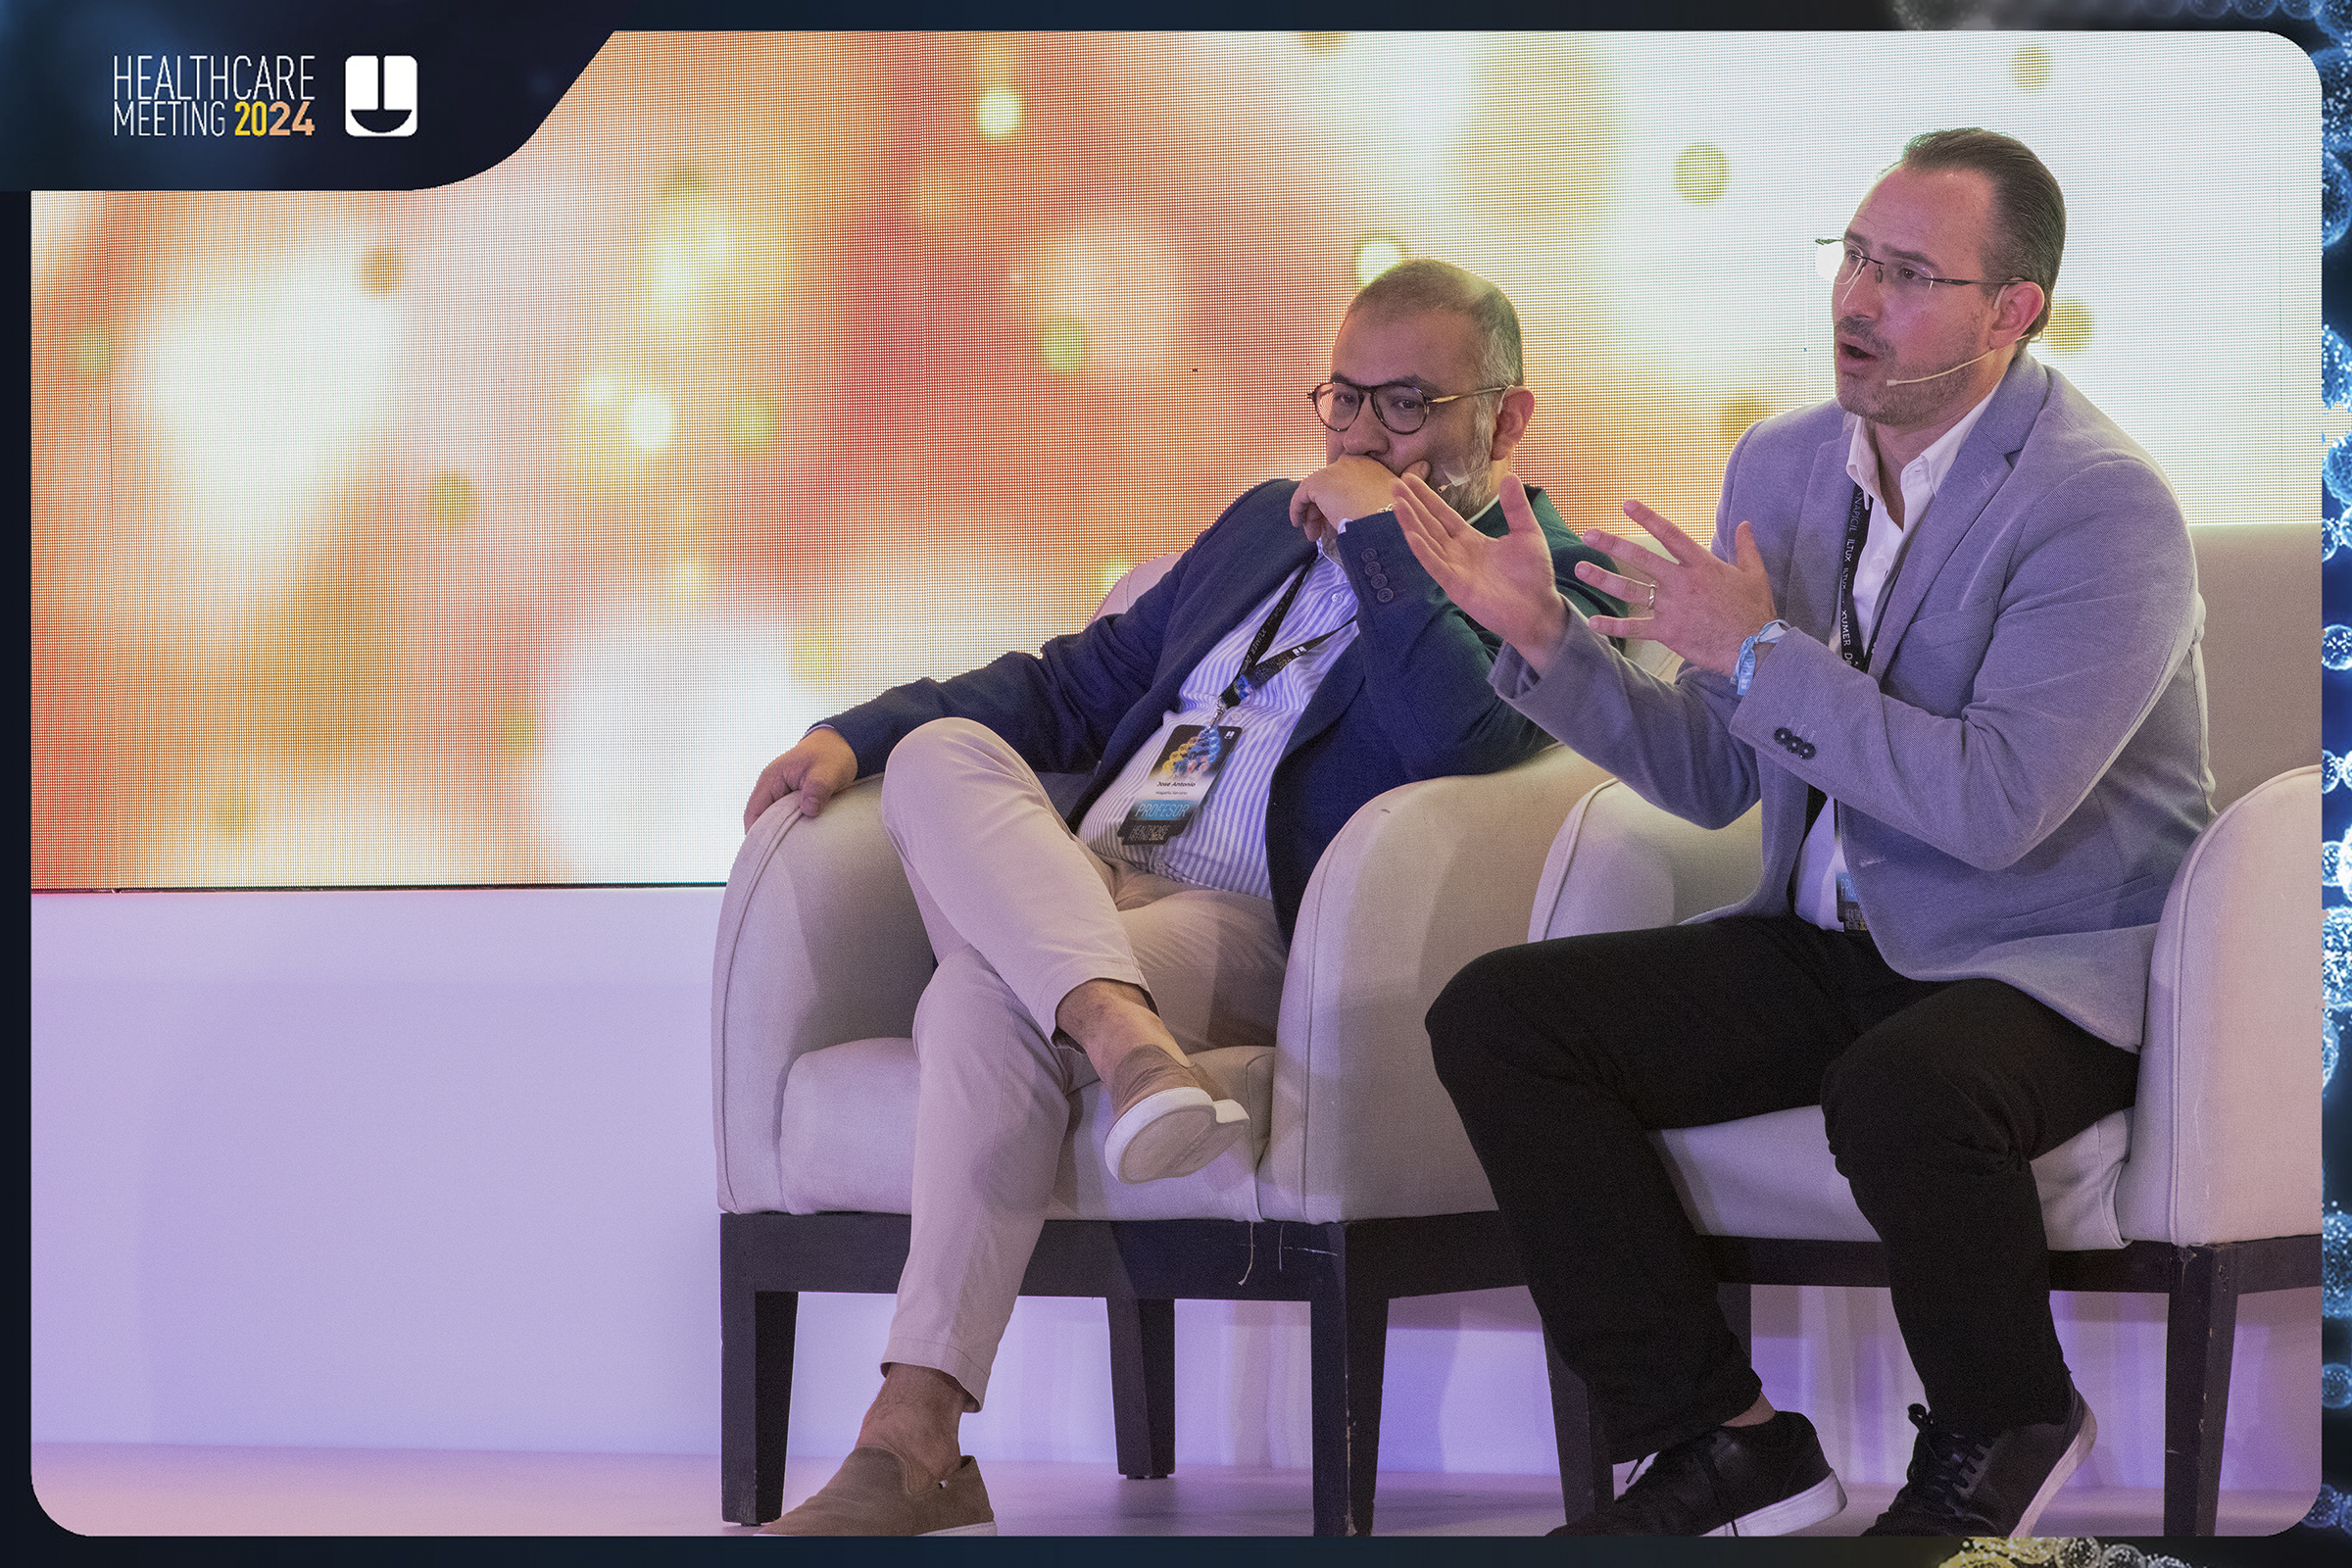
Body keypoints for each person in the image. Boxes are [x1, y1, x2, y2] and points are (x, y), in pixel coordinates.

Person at [1393, 129, 2208, 1538]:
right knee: (1505, 1019)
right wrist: (1547, 640)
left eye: (1910, 275)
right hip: (1834, 938)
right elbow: (1722, 773)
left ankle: (2007, 1414)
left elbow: (1995, 807)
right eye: (1854, 257)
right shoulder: (1780, 465)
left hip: (2043, 958)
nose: (1858, 299)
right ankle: (1721, 1442)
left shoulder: (2101, 506)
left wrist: (1761, 652)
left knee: (1905, 1086)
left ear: (2012, 311)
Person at [739, 259, 1620, 1537]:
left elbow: (1456, 739)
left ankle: (909, 1439)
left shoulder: (1549, 573)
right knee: (938, 759)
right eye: (1344, 400)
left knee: (978, 1001)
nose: (1363, 436)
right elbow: (1073, 684)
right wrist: (855, 733)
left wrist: (1382, 537)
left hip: (1246, 919)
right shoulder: (1263, 523)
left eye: (1407, 406)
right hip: (1081, 874)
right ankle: (1118, 1034)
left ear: (1508, 416)